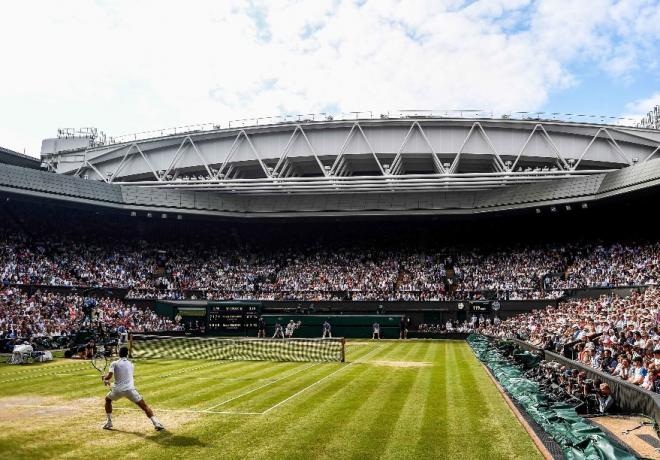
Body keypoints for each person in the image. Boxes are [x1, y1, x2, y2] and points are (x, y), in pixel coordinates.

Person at [102, 346, 164, 431]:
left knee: (108, 400)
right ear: (127, 354)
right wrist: (108, 381)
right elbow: (124, 378)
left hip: (117, 390)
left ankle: (109, 422)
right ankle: (156, 423)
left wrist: (105, 379)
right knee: (144, 406)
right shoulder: (131, 364)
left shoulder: (114, 363)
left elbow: (109, 376)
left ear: (119, 353)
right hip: (130, 390)